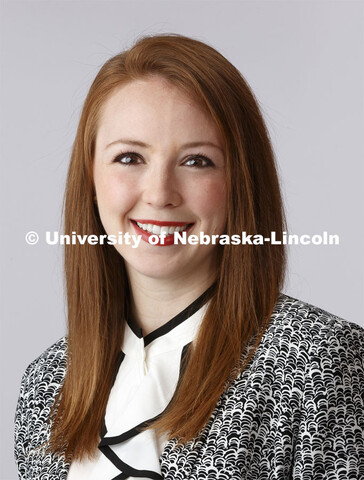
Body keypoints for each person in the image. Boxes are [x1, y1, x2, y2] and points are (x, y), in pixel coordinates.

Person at [14, 34, 364, 480]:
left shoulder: (323, 364)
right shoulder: (46, 387)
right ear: (91, 178)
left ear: (241, 182)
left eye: (197, 161)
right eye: (129, 157)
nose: (160, 194)